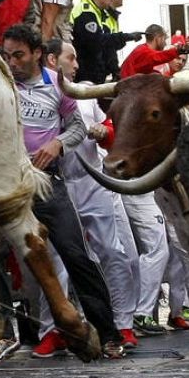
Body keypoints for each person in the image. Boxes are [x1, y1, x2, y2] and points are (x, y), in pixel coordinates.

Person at [2, 24, 124, 358]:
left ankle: (109, 334)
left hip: (46, 182)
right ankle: (4, 334)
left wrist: (57, 143)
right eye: (7, 56)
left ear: (38, 53)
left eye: (19, 55)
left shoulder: (57, 84)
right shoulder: (1, 84)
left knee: (75, 254)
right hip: (7, 183)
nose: (12, 62)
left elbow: (77, 127)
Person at [44, 38, 142, 350]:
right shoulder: (34, 93)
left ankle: (123, 323)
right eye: (70, 58)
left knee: (112, 251)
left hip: (93, 182)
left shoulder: (86, 93)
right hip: (57, 183)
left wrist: (105, 132)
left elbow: (113, 130)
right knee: (54, 259)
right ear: (51, 60)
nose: (76, 65)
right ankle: (54, 330)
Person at [70, 0, 142, 84]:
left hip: (92, 74)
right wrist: (127, 37)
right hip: (84, 75)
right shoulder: (86, 12)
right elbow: (98, 41)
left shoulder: (95, 12)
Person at [119, 24, 189, 78]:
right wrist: (180, 50)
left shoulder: (142, 49)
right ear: (158, 38)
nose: (165, 43)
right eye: (164, 39)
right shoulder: (143, 51)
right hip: (130, 90)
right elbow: (159, 56)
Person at [102, 0, 129, 83]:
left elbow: (112, 44)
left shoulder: (111, 16)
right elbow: (106, 45)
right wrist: (115, 71)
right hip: (98, 72)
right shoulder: (104, 15)